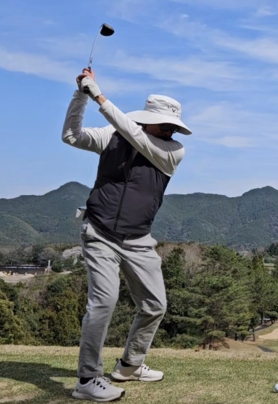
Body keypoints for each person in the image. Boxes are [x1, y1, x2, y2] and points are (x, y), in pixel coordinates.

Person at [62, 68, 191, 402]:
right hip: (100, 233)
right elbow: (71, 136)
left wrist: (99, 95)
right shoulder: (112, 135)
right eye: (165, 125)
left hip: (139, 240)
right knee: (103, 302)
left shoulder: (173, 151)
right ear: (148, 120)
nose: (171, 131)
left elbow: (135, 137)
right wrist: (81, 96)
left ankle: (130, 365)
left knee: (155, 305)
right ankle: (87, 378)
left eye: (173, 127)